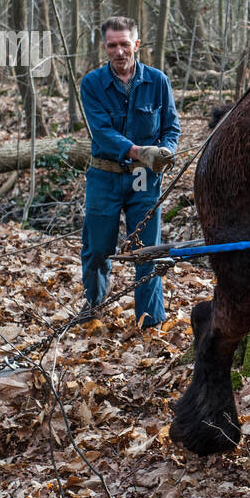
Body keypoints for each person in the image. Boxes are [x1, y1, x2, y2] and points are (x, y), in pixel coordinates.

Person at [79, 16, 181, 327]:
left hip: (145, 180)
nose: (119, 51)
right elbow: (102, 133)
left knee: (148, 252)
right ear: (104, 47)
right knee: (97, 248)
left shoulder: (157, 81)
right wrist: (139, 151)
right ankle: (94, 302)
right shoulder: (92, 84)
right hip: (105, 177)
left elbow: (171, 128)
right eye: (113, 45)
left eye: (125, 44)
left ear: (136, 44)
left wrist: (166, 152)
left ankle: (150, 321)